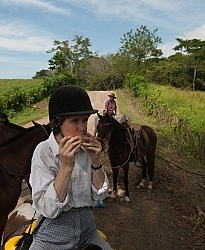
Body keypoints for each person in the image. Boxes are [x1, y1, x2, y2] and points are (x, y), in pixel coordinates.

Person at [29, 85, 112, 250]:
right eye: (74, 121)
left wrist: (96, 160)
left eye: (85, 120)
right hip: (52, 233)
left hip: (88, 229)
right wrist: (66, 166)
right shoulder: (43, 152)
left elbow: (100, 195)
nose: (82, 128)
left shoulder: (87, 150)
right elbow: (47, 208)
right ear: (57, 123)